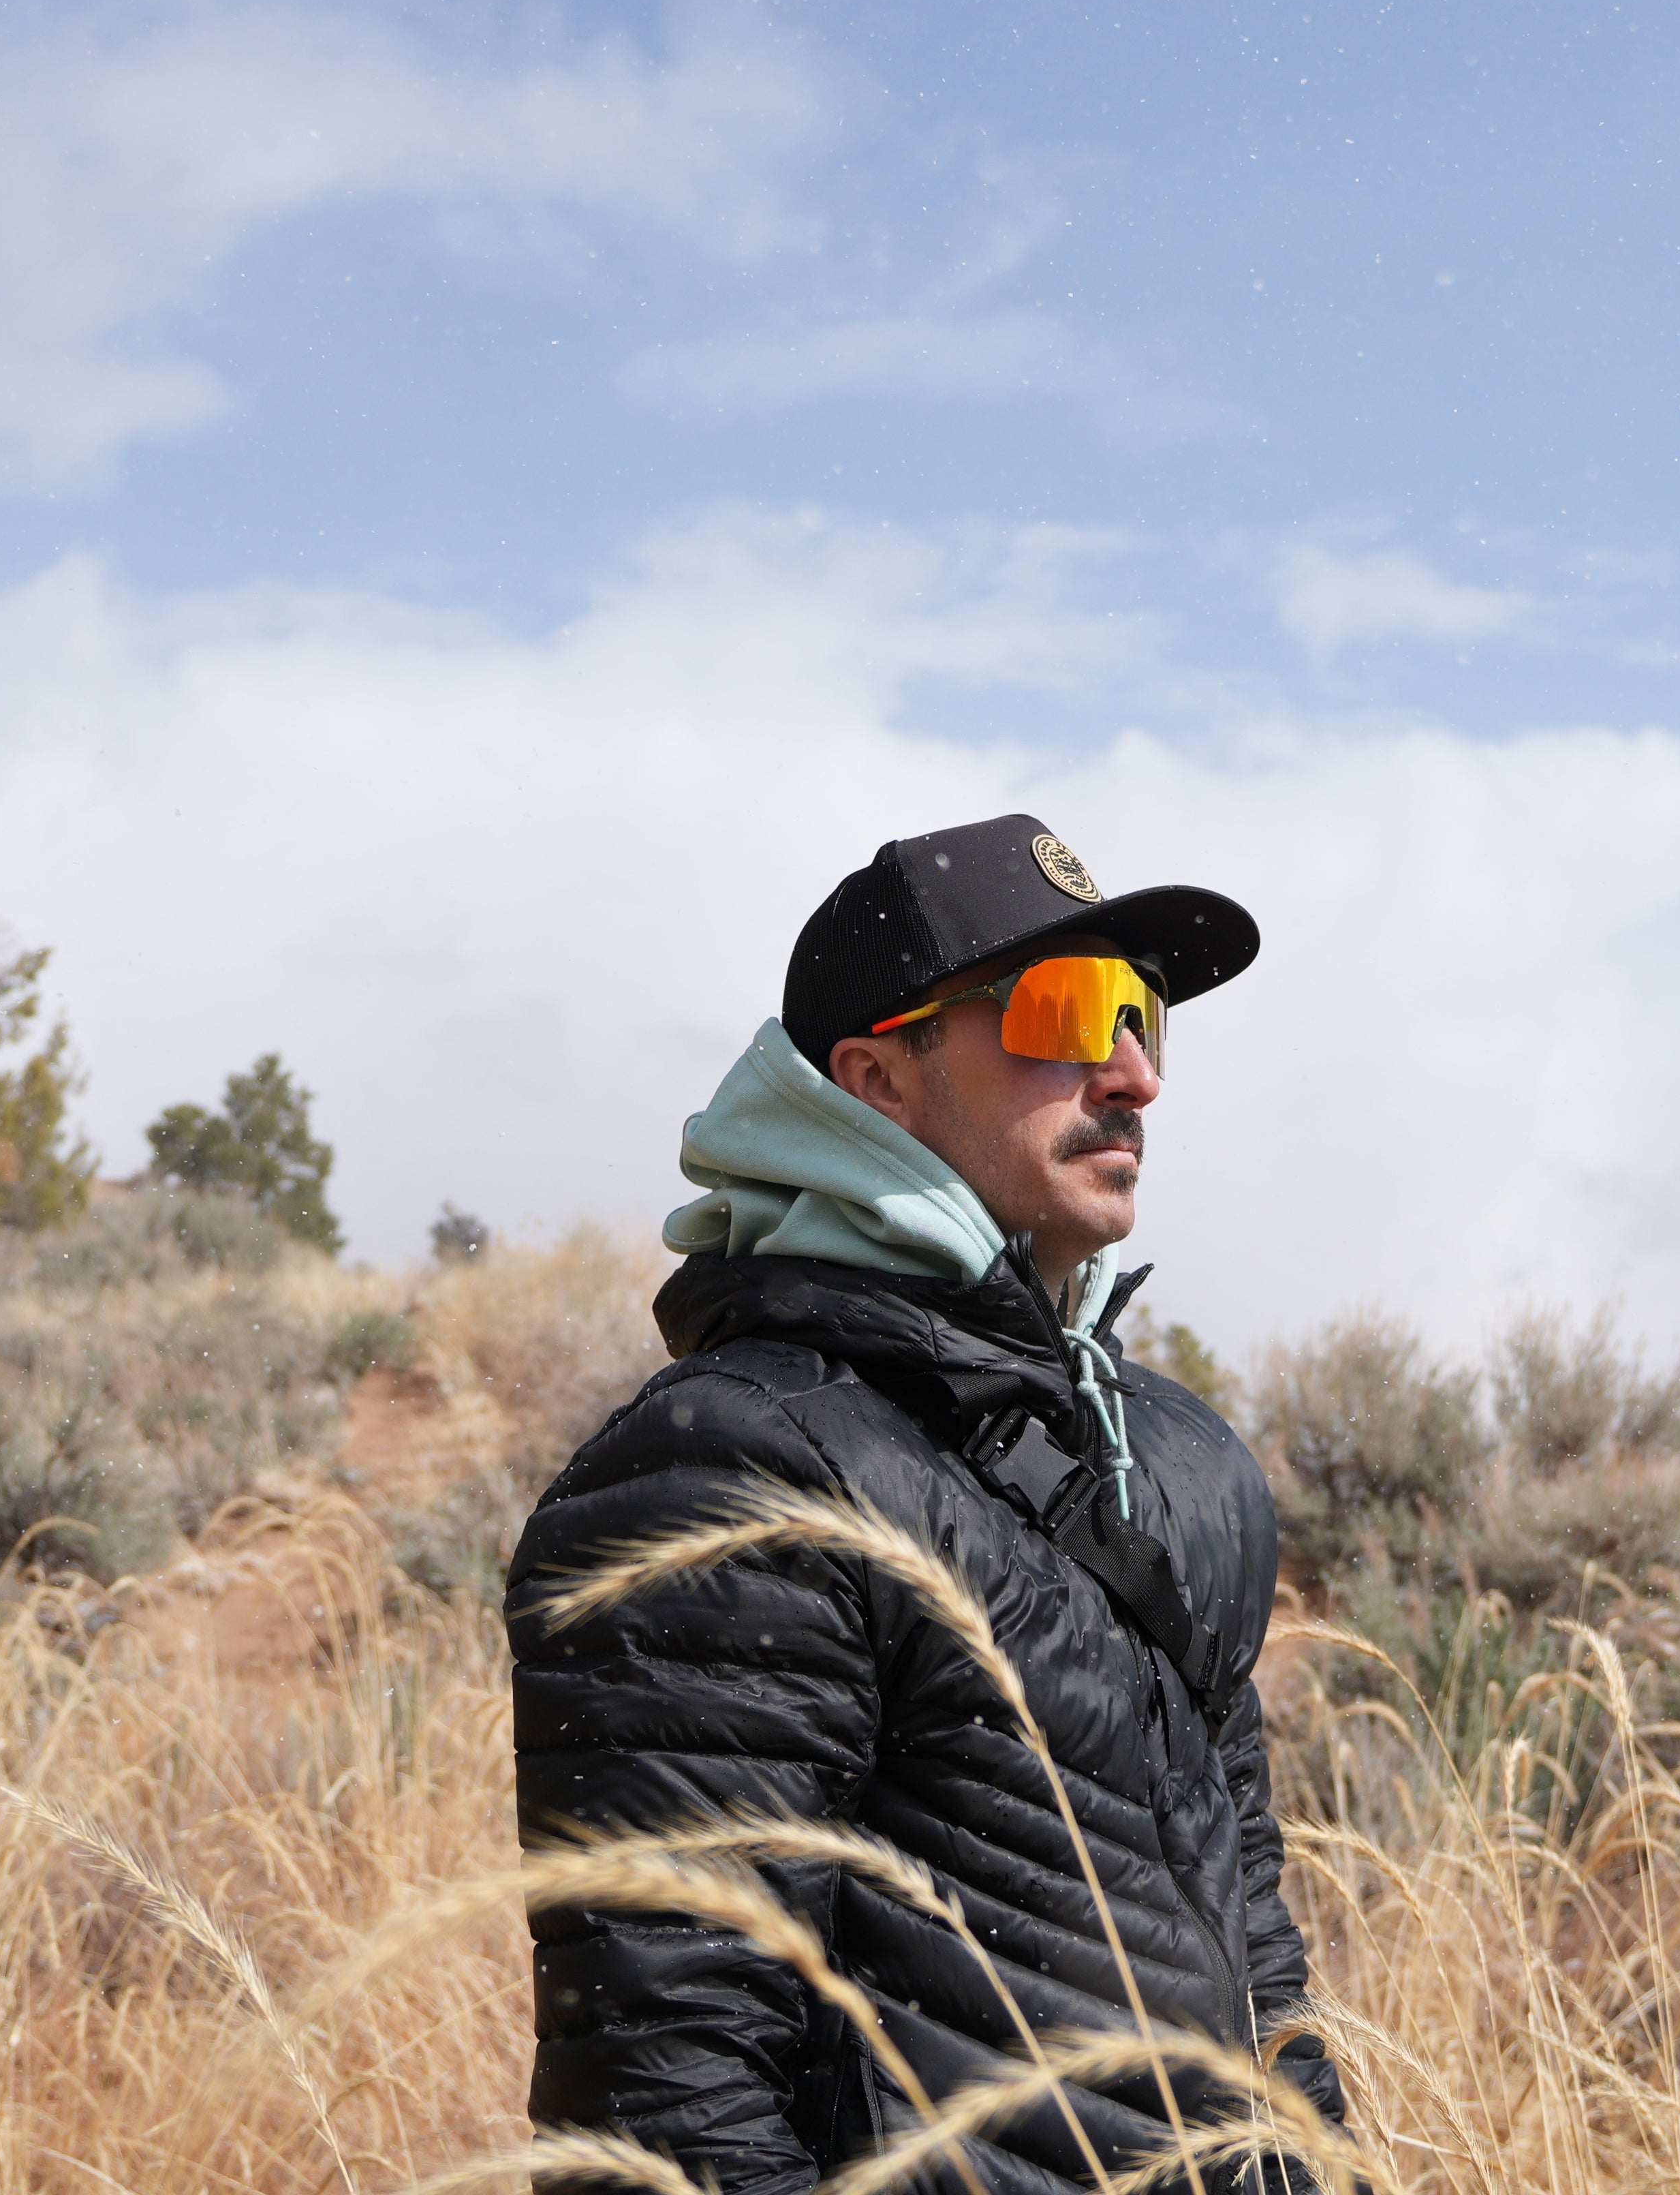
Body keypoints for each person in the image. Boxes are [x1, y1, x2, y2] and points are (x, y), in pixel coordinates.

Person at [507, 812, 1349, 2195]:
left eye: (1141, 1017)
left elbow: (1255, 1945)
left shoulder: (1174, 1463)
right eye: (1065, 1010)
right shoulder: (735, 1467)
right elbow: (668, 2101)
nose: (1132, 1074)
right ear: (877, 1078)